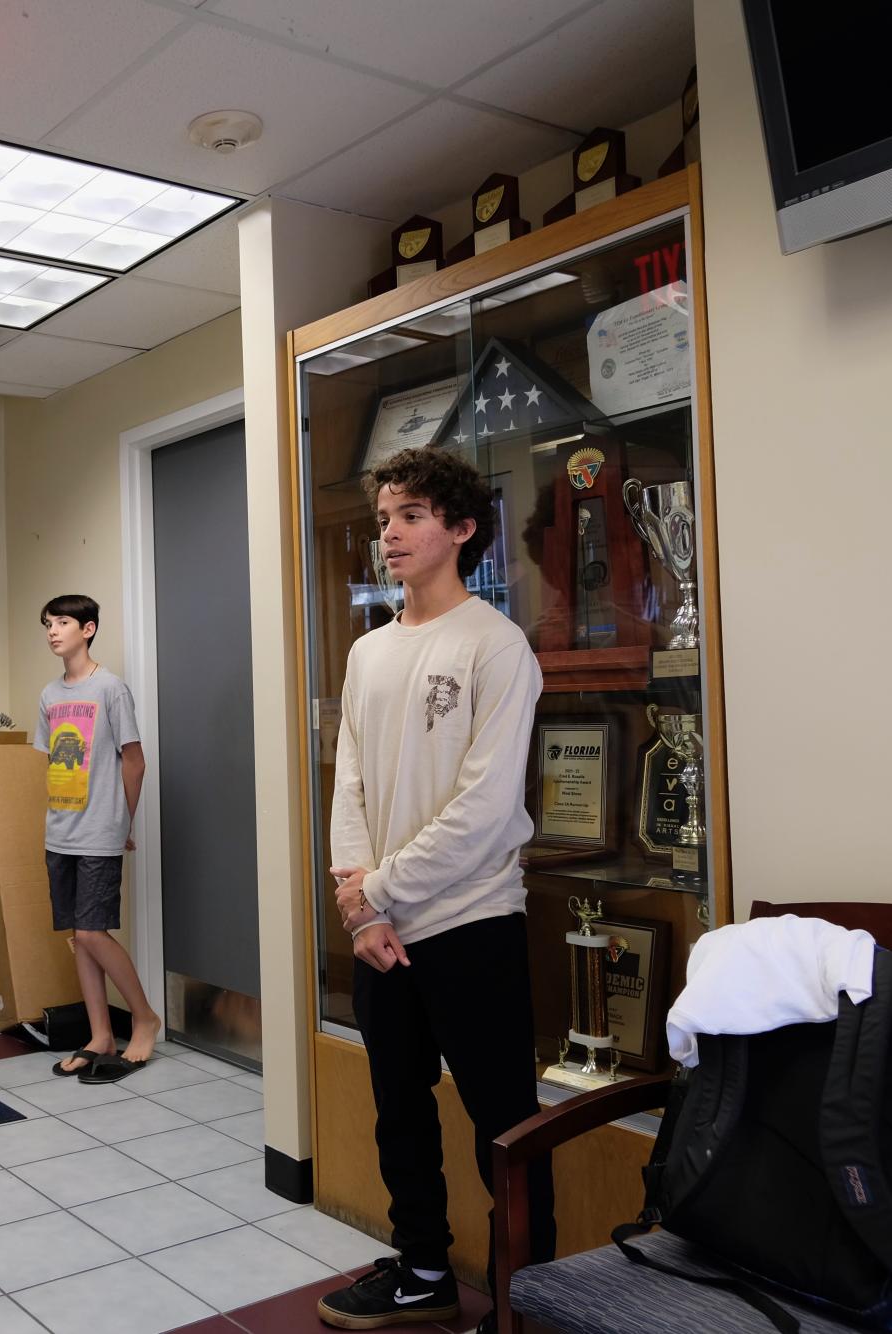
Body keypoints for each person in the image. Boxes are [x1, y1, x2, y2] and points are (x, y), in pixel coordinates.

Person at [316, 447, 555, 1329]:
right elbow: (350, 785)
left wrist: (375, 890)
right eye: (383, 517)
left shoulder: (496, 646)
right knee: (397, 1111)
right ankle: (420, 1269)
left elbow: (486, 808)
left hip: (469, 921)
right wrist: (360, 900)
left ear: (460, 530)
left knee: (506, 1123)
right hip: (381, 929)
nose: (390, 532)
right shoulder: (369, 649)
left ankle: (526, 1294)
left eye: (412, 514)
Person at [32, 594, 159, 1082]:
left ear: (87, 629)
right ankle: (100, 1035)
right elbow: (53, 764)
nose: (52, 631)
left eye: (62, 622)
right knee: (78, 938)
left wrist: (123, 822)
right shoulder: (49, 694)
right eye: (48, 624)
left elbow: (134, 760)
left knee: (92, 930)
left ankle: (144, 1017)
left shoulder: (111, 689)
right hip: (59, 830)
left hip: (99, 830)